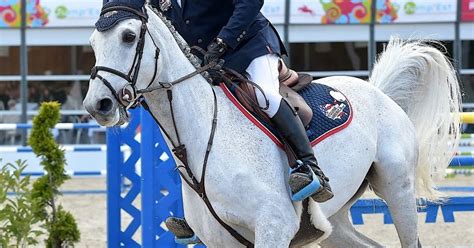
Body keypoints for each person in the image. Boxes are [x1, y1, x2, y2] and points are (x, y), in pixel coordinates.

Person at [98, 0, 333, 241]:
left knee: (266, 97)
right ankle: (203, 211)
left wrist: (223, 42)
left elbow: (250, 4)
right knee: (186, 121)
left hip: (248, 46)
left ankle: (309, 166)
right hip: (205, 60)